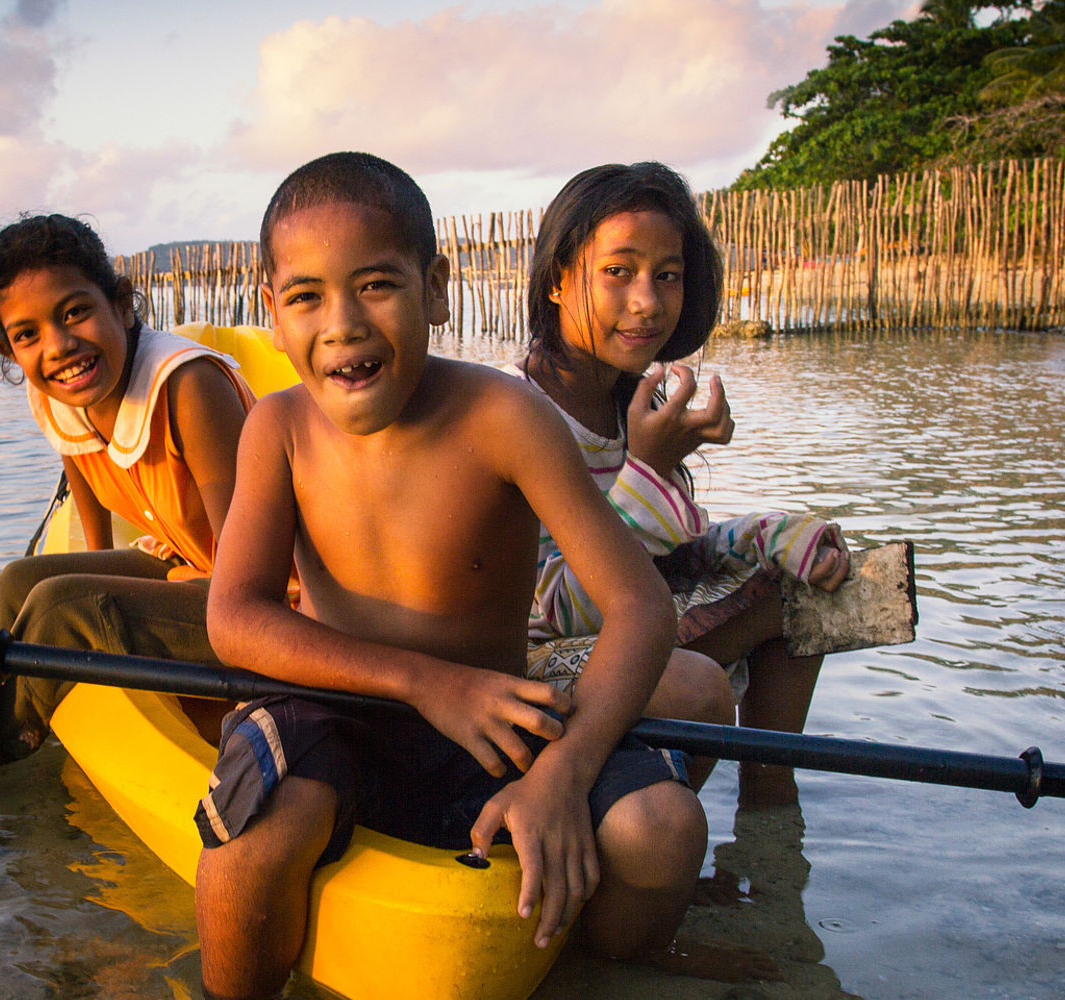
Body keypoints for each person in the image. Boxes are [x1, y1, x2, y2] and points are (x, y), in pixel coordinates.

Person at [194, 152, 772, 1000]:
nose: (344, 324)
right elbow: (234, 618)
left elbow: (640, 611)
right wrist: (426, 682)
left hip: (491, 728)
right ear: (270, 310)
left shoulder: (504, 417)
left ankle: (599, 966)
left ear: (436, 289)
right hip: (334, 709)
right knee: (252, 844)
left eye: (377, 285)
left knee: (661, 827)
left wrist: (562, 774)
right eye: (307, 295)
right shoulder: (276, 429)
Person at [510, 162, 850, 809]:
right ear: (557, 279)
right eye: (619, 272)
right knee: (697, 682)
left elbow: (667, 550)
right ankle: (669, 818)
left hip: (613, 630)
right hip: (528, 662)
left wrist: (769, 534)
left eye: (667, 275)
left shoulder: (624, 399)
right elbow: (558, 608)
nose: (648, 301)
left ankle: (769, 809)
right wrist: (652, 470)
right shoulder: (516, 412)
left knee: (802, 580)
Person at [0, 214, 253, 780]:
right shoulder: (61, 397)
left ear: (123, 304)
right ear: (8, 351)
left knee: (65, 607)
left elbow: (249, 577)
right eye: (27, 334)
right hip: (193, 571)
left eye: (74, 312)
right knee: (23, 580)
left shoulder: (188, 388)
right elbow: (95, 531)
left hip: (272, 600)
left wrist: (103, 608)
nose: (58, 346)